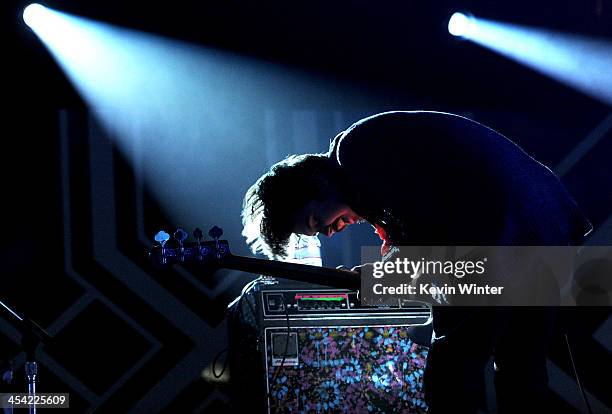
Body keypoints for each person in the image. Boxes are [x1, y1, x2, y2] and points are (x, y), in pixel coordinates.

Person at [241, 111, 592, 413]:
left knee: (451, 374)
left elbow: (430, 238)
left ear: (316, 186)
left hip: (501, 233)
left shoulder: (355, 152)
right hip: (543, 225)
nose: (329, 233)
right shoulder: (368, 163)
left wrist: (378, 278)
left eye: (317, 222)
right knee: (520, 369)